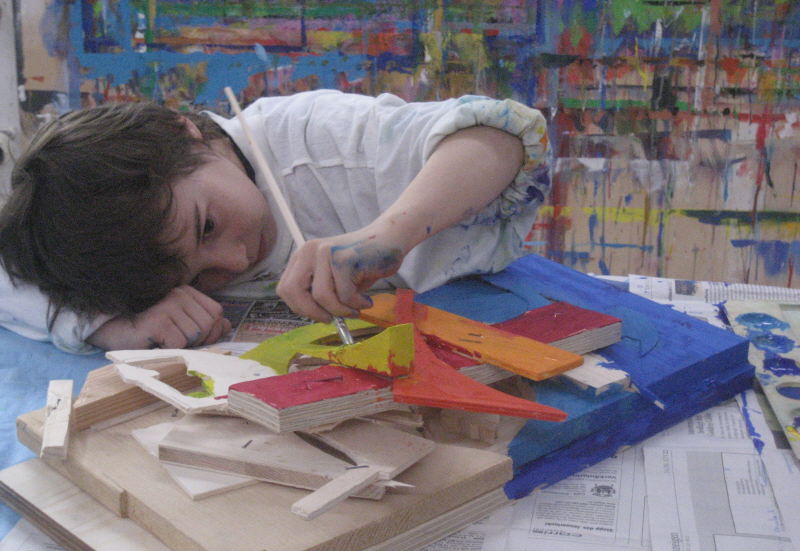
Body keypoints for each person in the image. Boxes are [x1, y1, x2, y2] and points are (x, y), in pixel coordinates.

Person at [0, 90, 551, 353]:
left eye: (207, 227)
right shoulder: (119, 247)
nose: (235, 260)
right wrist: (109, 324)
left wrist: (389, 234)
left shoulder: (312, 137)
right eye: (196, 276)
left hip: (493, 322)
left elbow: (501, 133)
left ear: (184, 134)